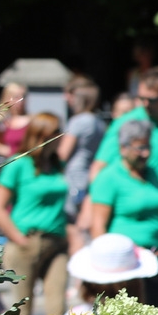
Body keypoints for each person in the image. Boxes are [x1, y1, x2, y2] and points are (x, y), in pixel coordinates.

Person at [0, 112, 70, 315]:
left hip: (56, 243)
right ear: (41, 135)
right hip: (26, 242)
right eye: (55, 132)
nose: (60, 136)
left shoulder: (57, 165)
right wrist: (18, 238)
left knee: (58, 312)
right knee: (20, 314)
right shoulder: (18, 164)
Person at [86, 118, 158, 305]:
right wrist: (105, 267)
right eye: (140, 148)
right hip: (125, 267)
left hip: (156, 261)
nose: (146, 153)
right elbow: (98, 226)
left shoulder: (153, 174)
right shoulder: (109, 177)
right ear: (123, 148)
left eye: (148, 147)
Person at [89, 66, 158, 191]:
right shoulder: (127, 123)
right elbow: (99, 167)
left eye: (152, 100)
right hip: (139, 200)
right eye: (142, 98)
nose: (145, 104)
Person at [58, 76, 106, 253]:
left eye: (69, 94)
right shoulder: (99, 122)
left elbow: (62, 153)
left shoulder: (78, 121)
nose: (66, 99)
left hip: (74, 178)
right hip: (89, 177)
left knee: (75, 229)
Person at [0, 82, 31, 159]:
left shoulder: (30, 121)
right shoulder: (1, 122)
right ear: (7, 98)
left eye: (23, 96)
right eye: (16, 97)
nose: (21, 100)